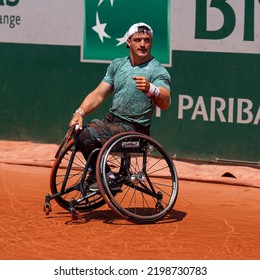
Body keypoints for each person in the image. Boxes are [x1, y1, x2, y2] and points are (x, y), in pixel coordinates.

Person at [69, 22, 171, 192]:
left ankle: (108, 178)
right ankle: (101, 174)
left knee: (88, 135)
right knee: (79, 132)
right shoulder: (117, 65)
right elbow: (99, 94)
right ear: (128, 42)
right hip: (113, 122)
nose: (143, 44)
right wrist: (80, 112)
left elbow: (165, 101)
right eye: (138, 40)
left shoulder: (157, 71)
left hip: (134, 129)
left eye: (147, 40)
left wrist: (151, 89)